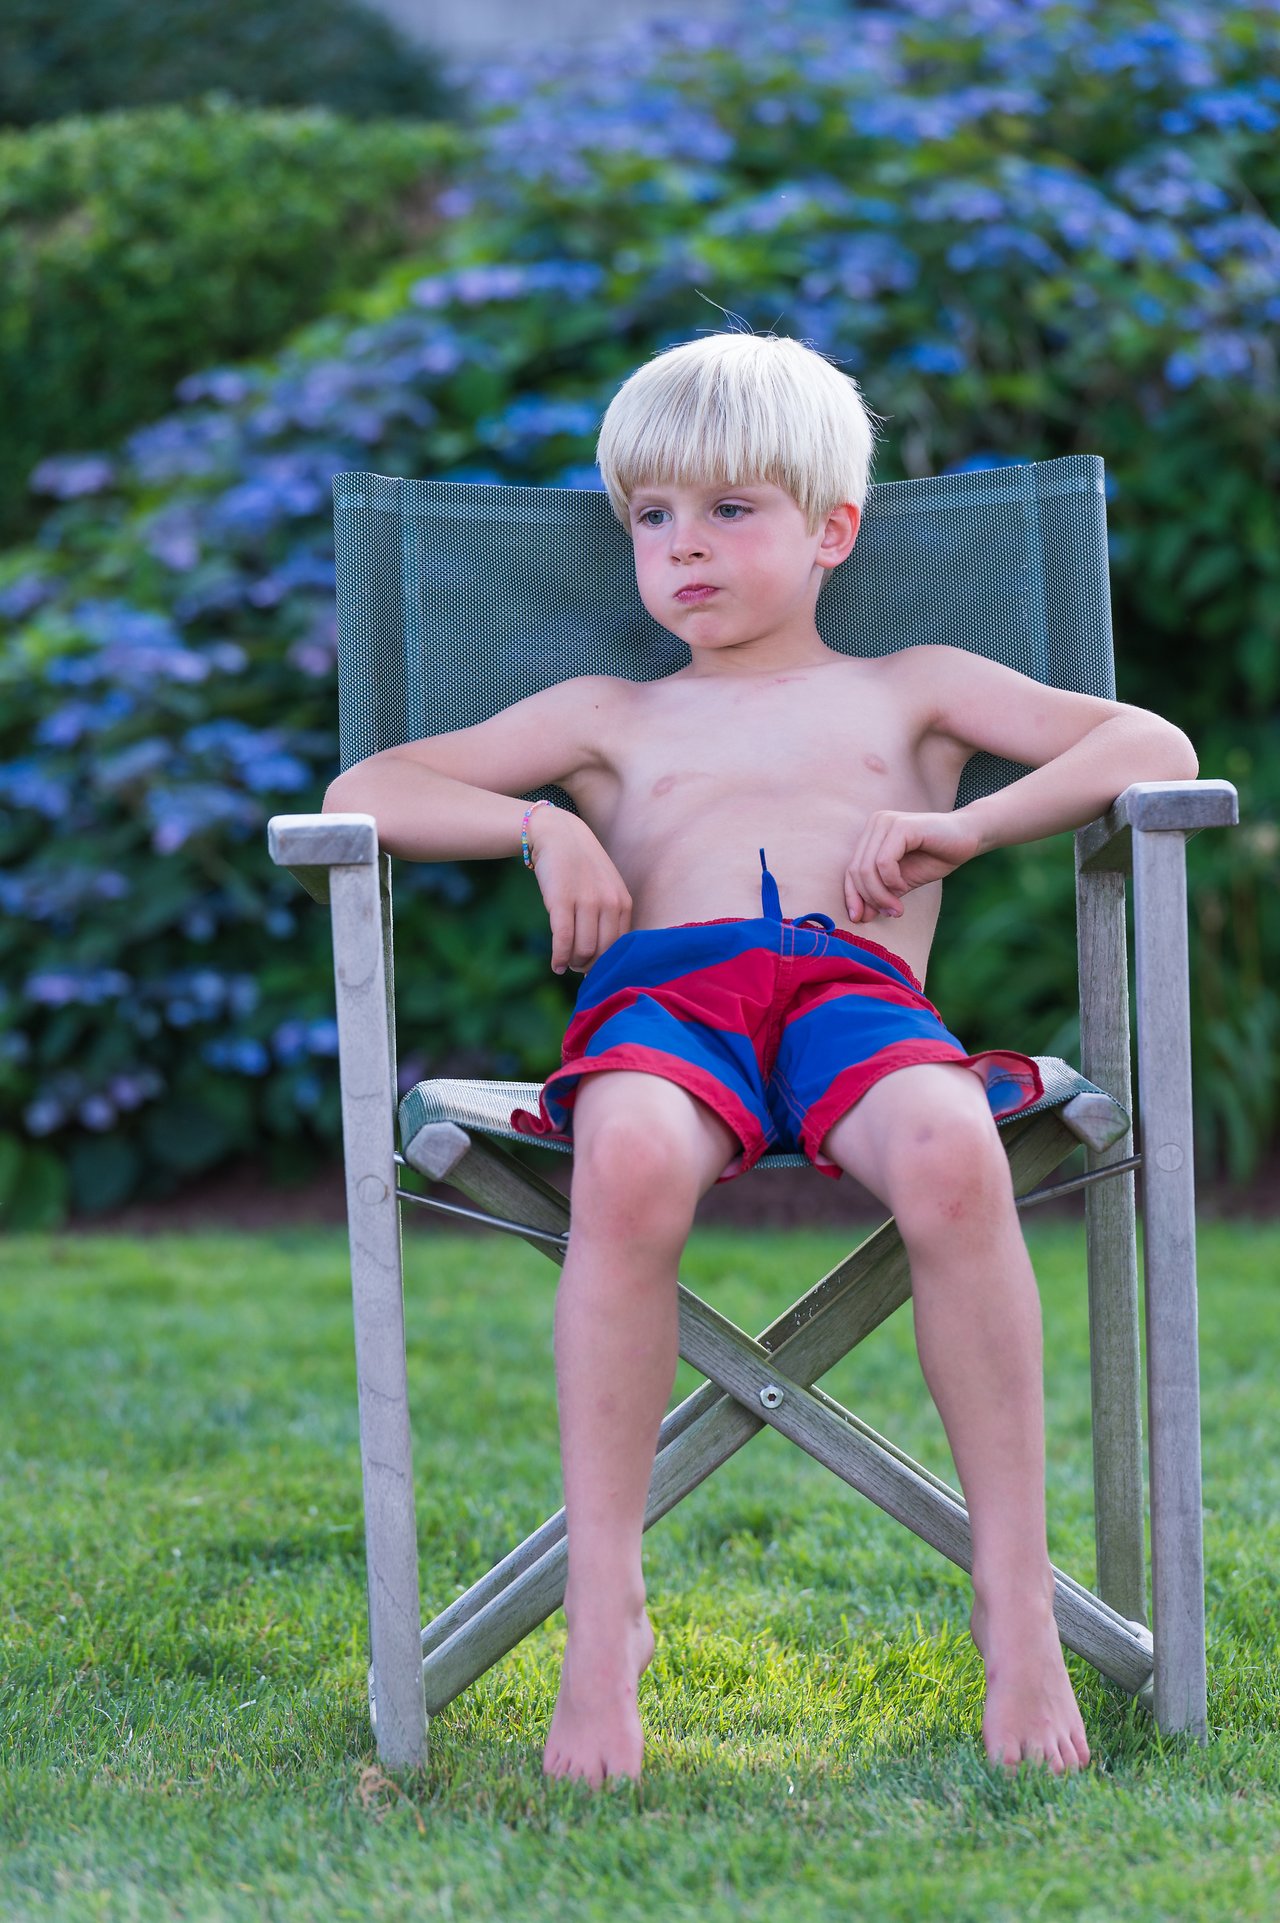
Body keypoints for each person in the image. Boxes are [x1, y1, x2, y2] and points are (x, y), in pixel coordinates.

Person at [323, 331, 1198, 1789]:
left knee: (947, 1143)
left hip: (858, 997)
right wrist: (545, 825)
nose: (684, 548)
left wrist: (966, 830)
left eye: (731, 511)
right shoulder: (611, 718)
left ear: (830, 529)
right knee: (632, 1154)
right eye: (652, 517)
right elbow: (370, 787)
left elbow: (1150, 741)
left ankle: (1017, 1601)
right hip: (666, 1010)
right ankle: (603, 1613)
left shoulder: (915, 686)